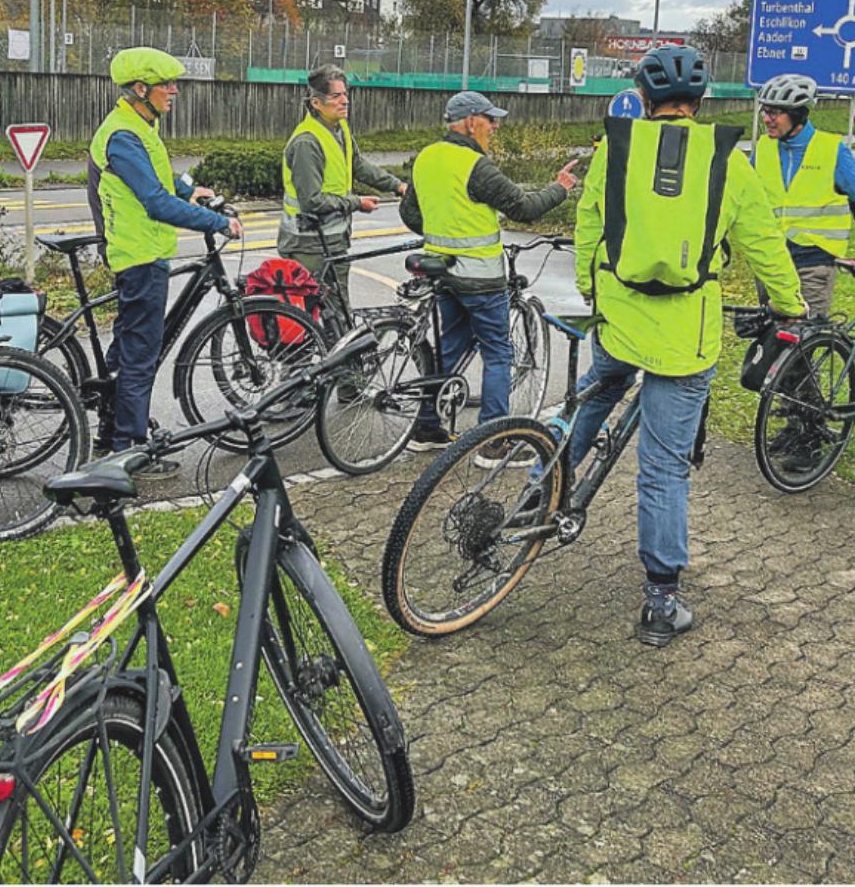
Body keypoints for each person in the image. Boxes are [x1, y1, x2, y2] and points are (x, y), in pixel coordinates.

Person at [573, 45, 807, 647]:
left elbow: (589, 227)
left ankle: (538, 490)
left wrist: (591, 294)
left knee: (590, 402)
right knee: (663, 467)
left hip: (620, 320)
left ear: (645, 102)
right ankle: (659, 602)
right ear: (700, 103)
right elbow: (763, 244)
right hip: (686, 335)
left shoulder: (614, 147)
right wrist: (792, 305)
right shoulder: (727, 159)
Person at [90, 46, 243, 478]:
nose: (174, 91)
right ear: (141, 89)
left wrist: (188, 189)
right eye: (167, 85)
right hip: (139, 256)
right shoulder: (122, 135)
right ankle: (129, 450)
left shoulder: (138, 125)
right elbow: (154, 201)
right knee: (141, 354)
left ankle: (113, 427)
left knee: (128, 350)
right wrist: (215, 221)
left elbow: (160, 181)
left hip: (144, 252)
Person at [399, 91, 576, 454]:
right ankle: (495, 441)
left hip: (441, 273)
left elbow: (410, 213)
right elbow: (523, 208)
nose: (494, 126)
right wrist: (560, 189)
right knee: (498, 352)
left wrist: (444, 232)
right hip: (479, 277)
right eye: (489, 119)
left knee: (451, 345)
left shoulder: (426, 158)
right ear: (469, 122)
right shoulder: (474, 165)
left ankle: (428, 427)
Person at [749, 73, 855, 320]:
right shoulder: (763, 149)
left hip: (813, 262)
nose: (767, 119)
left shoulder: (832, 150)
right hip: (770, 261)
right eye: (764, 111)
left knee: (803, 340)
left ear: (797, 114)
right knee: (770, 339)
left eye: (774, 112)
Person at [279, 64, 407, 320]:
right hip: (309, 245)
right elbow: (311, 201)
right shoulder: (308, 142)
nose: (344, 100)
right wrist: (356, 203)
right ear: (316, 102)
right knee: (323, 318)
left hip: (330, 241)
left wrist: (398, 186)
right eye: (336, 96)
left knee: (332, 318)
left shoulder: (339, 129)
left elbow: (358, 165)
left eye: (345, 94)